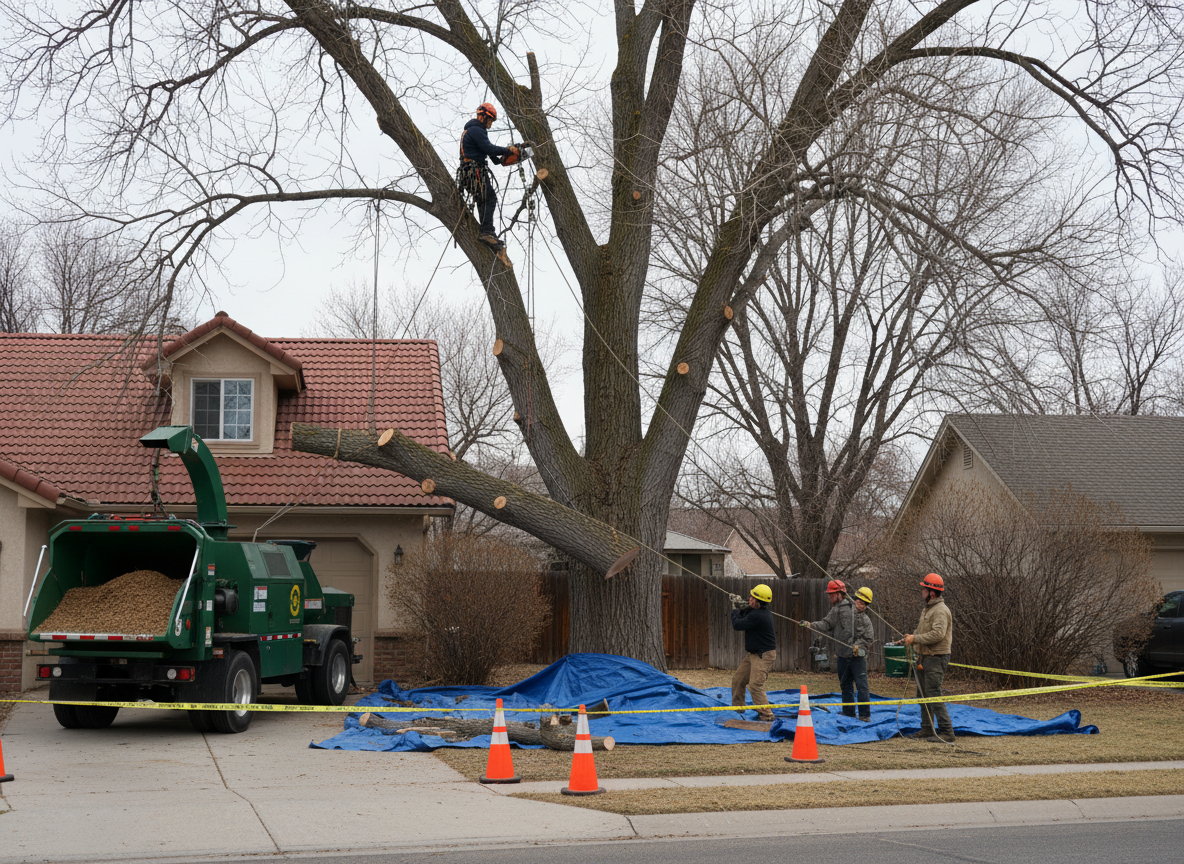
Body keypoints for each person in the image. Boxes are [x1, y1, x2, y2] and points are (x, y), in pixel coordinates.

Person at [801, 579, 874, 721]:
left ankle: (865, 715)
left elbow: (868, 638)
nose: (829, 597)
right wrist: (810, 625)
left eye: (831, 594)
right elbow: (826, 624)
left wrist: (859, 646)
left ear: (839, 594)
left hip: (857, 658)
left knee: (861, 685)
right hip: (842, 656)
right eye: (857, 601)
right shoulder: (837, 610)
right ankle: (848, 712)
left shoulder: (864, 619)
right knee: (845, 684)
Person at [458, 102, 519, 249]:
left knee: (483, 199)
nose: (491, 123)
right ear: (483, 117)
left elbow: (489, 153)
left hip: (471, 172)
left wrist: (502, 159)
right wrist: (506, 150)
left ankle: (486, 232)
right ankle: (486, 231)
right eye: (490, 119)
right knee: (489, 197)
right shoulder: (475, 130)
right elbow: (488, 148)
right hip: (475, 171)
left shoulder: (476, 131)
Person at [902, 573, 955, 743]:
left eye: (924, 589)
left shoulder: (940, 610)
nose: (921, 591)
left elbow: (938, 635)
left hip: (936, 658)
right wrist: (910, 638)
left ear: (932, 592)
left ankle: (947, 731)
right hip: (924, 658)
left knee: (933, 694)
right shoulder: (928, 609)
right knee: (922, 694)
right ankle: (927, 728)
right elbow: (921, 632)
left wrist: (915, 639)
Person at [730, 584, 776, 722]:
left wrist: (734, 607)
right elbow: (746, 613)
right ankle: (738, 709)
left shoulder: (759, 615)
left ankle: (767, 715)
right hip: (752, 654)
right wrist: (742, 605)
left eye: (752, 597)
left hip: (764, 655)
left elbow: (737, 624)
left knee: (755, 685)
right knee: (738, 680)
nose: (749, 598)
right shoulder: (756, 611)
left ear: (758, 601)